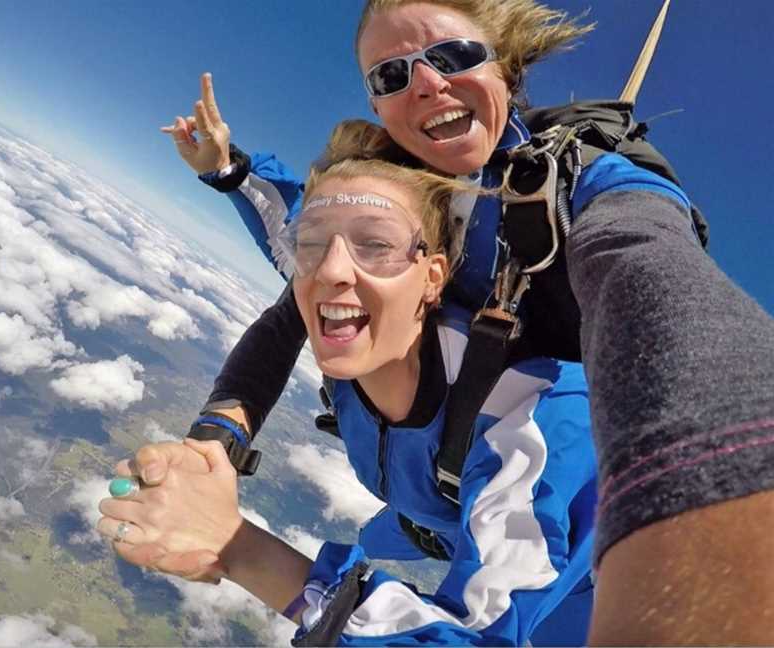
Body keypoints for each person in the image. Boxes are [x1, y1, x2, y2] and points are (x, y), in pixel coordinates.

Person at [139, 0, 774, 642]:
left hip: (548, 536)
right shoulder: (385, 211)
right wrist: (217, 439)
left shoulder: (588, 192)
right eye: (391, 76)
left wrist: (727, 481)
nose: (425, 82)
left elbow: (652, 277)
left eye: (453, 57)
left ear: (508, 64)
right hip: (429, 502)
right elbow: (295, 275)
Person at [99, 131, 599, 645]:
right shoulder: (349, 313)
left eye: (376, 245)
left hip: (582, 596)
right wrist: (214, 447)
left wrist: (237, 547)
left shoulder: (535, 420)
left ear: (433, 276)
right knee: (377, 535)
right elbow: (281, 271)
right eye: (312, 246)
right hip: (425, 514)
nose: (333, 269)